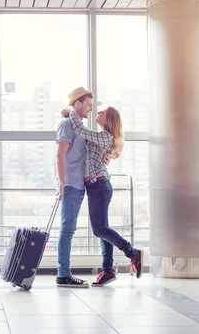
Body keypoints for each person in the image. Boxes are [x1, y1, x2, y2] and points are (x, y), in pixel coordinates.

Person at [62, 105, 143, 287]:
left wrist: (73, 113)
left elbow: (81, 130)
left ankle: (132, 253)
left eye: (102, 112)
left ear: (110, 119)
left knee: (100, 230)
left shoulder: (105, 136)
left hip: (99, 186)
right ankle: (108, 270)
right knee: (103, 229)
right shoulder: (101, 136)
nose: (97, 113)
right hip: (95, 186)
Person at [54, 87, 94, 288]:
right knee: (67, 229)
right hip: (70, 183)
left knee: (69, 229)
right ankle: (63, 274)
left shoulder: (79, 127)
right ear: (77, 104)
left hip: (78, 183)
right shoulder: (67, 124)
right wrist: (62, 183)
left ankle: (64, 273)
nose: (90, 109)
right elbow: (60, 155)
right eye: (88, 105)